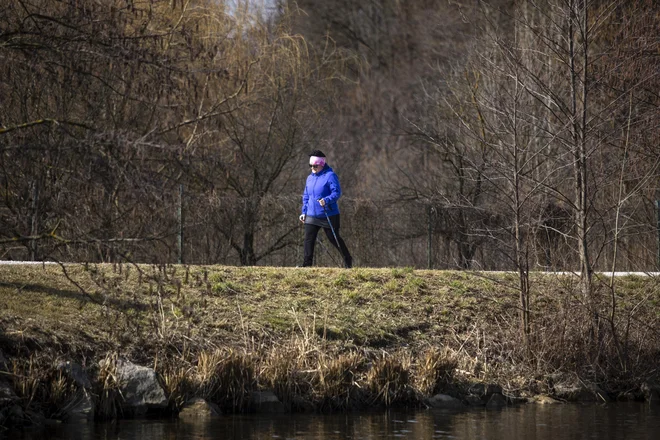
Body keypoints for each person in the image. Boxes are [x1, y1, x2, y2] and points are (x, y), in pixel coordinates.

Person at [299, 150, 353, 268]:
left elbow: (337, 192)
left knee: (333, 238)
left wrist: (326, 200)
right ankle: (307, 265)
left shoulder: (330, 176)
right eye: (311, 165)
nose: (312, 168)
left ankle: (347, 259)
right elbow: (306, 196)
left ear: (321, 164)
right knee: (309, 239)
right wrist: (304, 212)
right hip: (312, 214)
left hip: (328, 213)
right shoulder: (309, 178)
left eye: (315, 166)